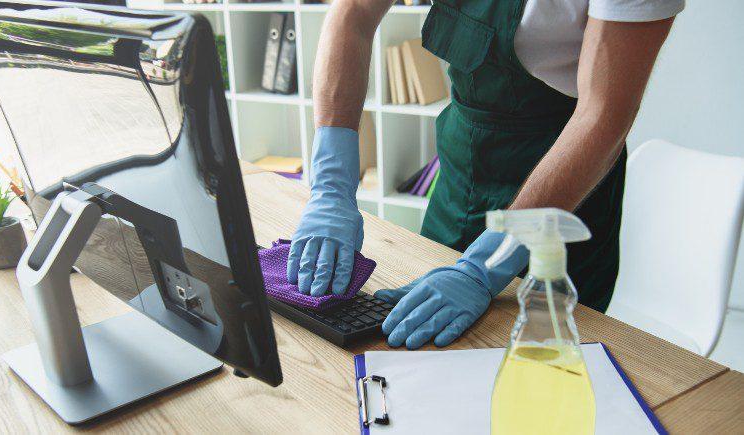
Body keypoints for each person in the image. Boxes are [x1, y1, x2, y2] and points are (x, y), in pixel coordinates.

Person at [288, 0, 683, 349]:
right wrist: (331, 186)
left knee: (538, 371)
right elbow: (353, 12)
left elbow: (602, 117)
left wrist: (489, 262)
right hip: (461, 171)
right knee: (415, 352)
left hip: (560, 189)